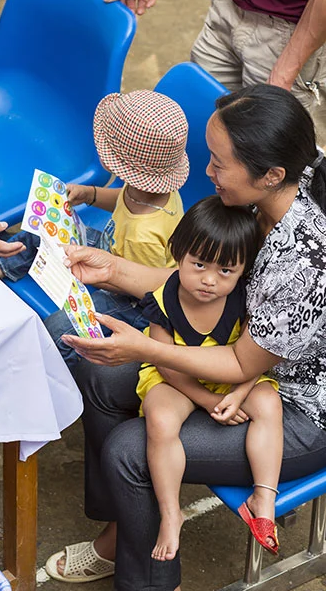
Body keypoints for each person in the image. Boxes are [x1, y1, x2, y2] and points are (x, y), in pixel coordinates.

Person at [46, 84, 326, 590]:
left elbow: (244, 364)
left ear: (271, 174)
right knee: (101, 375)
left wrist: (145, 347)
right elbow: (201, 285)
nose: (206, 173)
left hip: (297, 407)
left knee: (131, 451)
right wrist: (112, 269)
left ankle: (152, 579)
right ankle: (125, 532)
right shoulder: (261, 196)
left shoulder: (301, 256)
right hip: (242, 362)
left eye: (218, 163)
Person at [0, 90, 187, 369]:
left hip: (128, 297)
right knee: (39, 230)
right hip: (111, 251)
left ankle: (45, 373)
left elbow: (136, 286)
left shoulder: (143, 238)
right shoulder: (155, 190)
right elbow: (124, 200)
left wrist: (69, 268)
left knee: (60, 331)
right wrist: (91, 194)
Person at [136, 196, 281, 562]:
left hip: (234, 376)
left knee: (268, 403)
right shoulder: (162, 300)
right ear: (178, 252)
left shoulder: (245, 299)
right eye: (199, 264)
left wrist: (241, 390)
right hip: (178, 379)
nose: (209, 280)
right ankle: (172, 512)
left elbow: (255, 356)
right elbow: (165, 364)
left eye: (226, 271)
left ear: (244, 270)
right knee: (160, 417)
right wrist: (205, 399)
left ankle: (264, 495)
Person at [105, 0, 326, 142]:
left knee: (272, 162)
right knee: (197, 130)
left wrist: (284, 73)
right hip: (228, 4)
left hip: (295, 27)